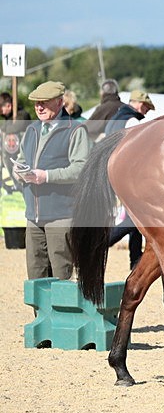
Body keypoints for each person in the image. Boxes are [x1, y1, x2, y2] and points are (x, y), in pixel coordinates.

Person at [13, 81, 90, 279]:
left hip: (61, 215)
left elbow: (81, 169)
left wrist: (46, 176)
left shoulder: (76, 130)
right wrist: (18, 170)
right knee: (35, 277)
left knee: (61, 276)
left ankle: (60, 312)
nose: (39, 107)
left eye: (44, 102)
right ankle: (39, 313)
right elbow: (22, 159)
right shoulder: (31, 130)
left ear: (59, 102)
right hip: (33, 216)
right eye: (36, 103)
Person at [103, 90, 155, 269]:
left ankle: (135, 258)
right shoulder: (132, 120)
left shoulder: (114, 118)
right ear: (140, 104)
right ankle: (103, 242)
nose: (146, 113)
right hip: (127, 175)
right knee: (135, 218)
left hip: (112, 172)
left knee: (135, 216)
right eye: (147, 109)